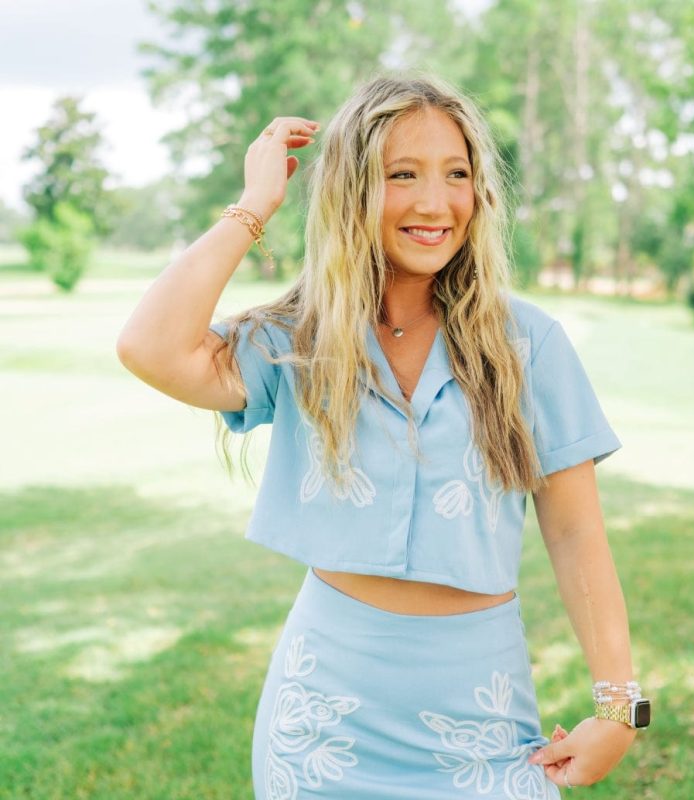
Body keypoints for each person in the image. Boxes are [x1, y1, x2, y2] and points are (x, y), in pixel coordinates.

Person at [116, 71, 650, 800]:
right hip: (322, 726)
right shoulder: (299, 339)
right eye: (403, 175)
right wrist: (254, 205)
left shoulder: (528, 345)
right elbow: (150, 347)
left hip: (482, 722)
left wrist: (619, 707)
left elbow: (576, 533)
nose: (435, 202)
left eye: (456, 174)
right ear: (352, 190)